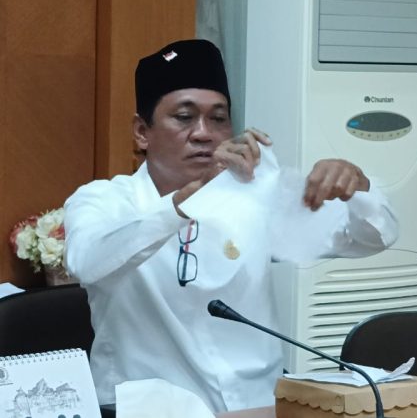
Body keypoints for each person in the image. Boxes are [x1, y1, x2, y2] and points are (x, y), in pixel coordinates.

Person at [63, 39, 398, 412]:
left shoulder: (253, 196)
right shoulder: (104, 200)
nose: (203, 133)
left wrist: (357, 188)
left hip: (258, 407)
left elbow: (371, 238)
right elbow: (87, 262)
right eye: (184, 117)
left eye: (218, 118)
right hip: (150, 411)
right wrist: (190, 196)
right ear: (142, 132)